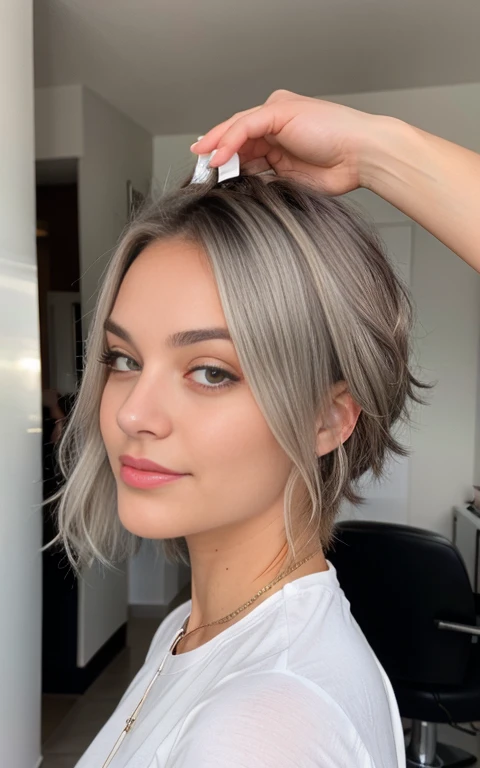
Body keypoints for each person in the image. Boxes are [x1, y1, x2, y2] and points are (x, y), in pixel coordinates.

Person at [43, 90, 479, 768]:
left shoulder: (264, 727)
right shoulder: (194, 633)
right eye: (124, 359)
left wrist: (376, 150)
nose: (130, 413)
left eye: (211, 371)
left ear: (329, 418)